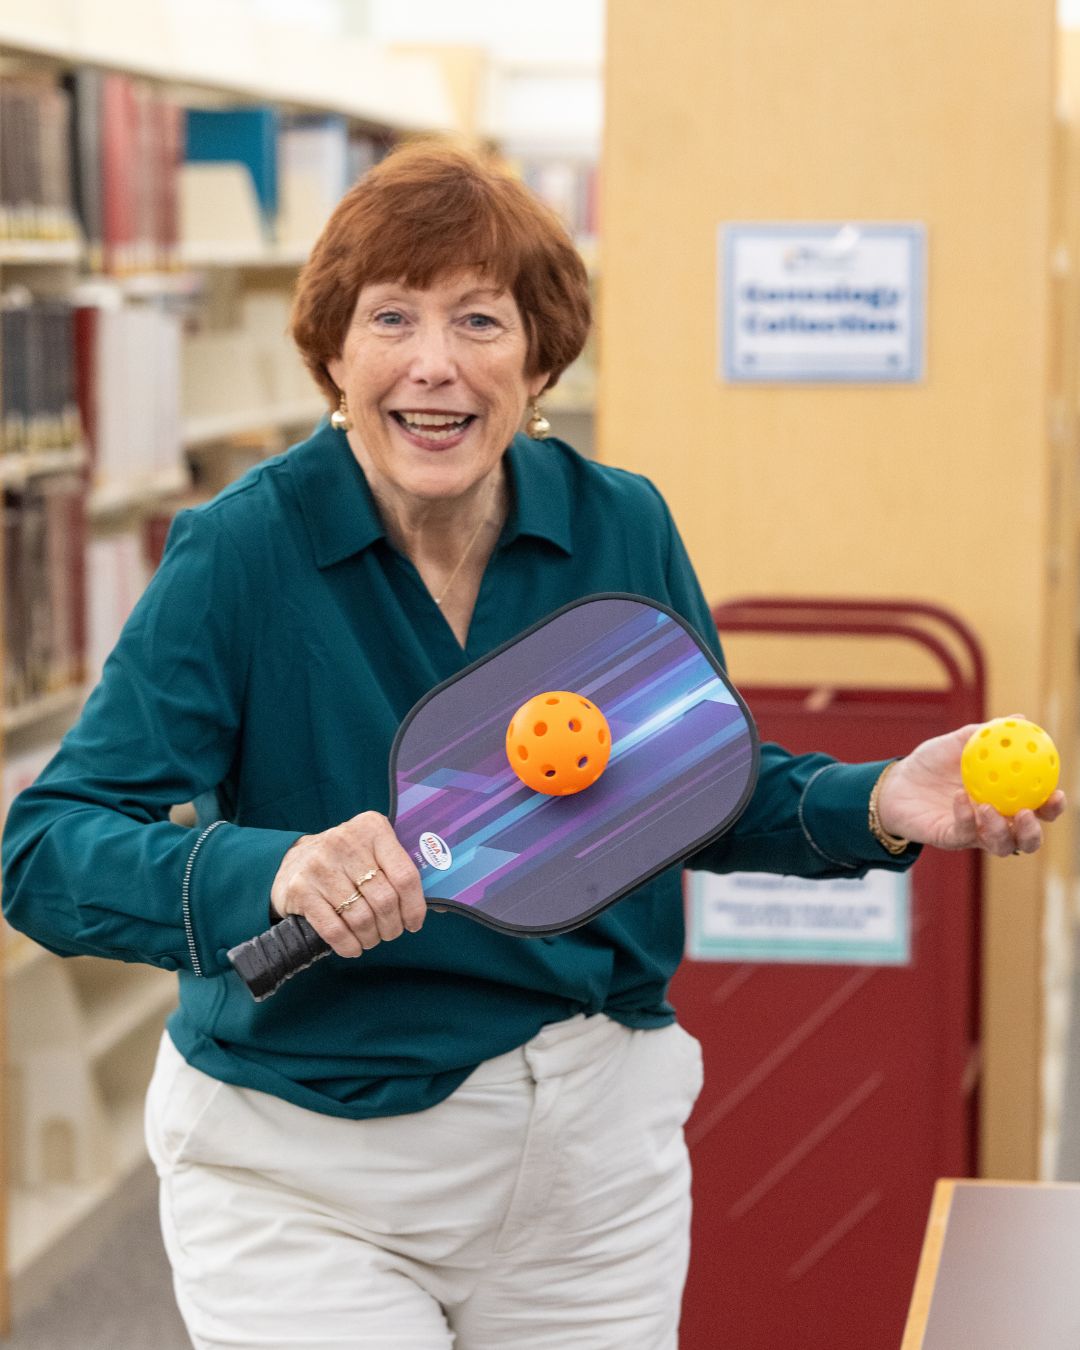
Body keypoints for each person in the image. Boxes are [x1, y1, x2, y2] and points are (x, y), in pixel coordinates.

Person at [1, 140, 1064, 1350]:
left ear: (541, 356)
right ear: (334, 357)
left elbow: (686, 788)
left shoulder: (620, 527)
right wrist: (272, 873)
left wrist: (882, 799)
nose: (434, 364)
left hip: (587, 1158)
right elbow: (47, 850)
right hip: (307, 1163)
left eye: (480, 321)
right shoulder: (240, 554)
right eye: (391, 318)